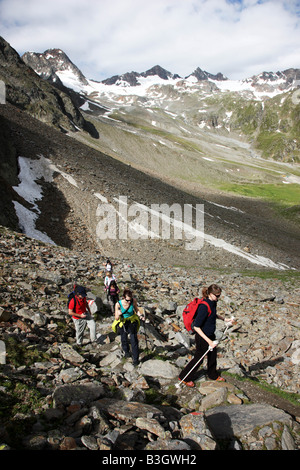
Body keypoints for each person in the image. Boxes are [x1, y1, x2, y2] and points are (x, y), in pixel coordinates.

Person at [178, 284, 233, 387]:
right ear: (210, 294)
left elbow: (213, 314)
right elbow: (197, 327)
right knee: (199, 357)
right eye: (217, 295)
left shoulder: (213, 302)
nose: (218, 298)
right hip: (202, 337)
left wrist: (225, 319)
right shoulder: (204, 306)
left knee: (212, 355)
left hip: (210, 334)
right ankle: (184, 377)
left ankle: (212, 375)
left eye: (219, 295)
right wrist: (209, 342)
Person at [114, 288, 145, 366]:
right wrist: (118, 313)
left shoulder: (133, 301)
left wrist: (140, 315)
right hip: (123, 322)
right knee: (124, 338)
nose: (128, 302)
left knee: (134, 339)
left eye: (130, 300)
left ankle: (135, 359)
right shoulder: (118, 304)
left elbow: (136, 309)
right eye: (127, 300)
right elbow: (116, 318)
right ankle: (126, 351)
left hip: (131, 321)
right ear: (123, 297)